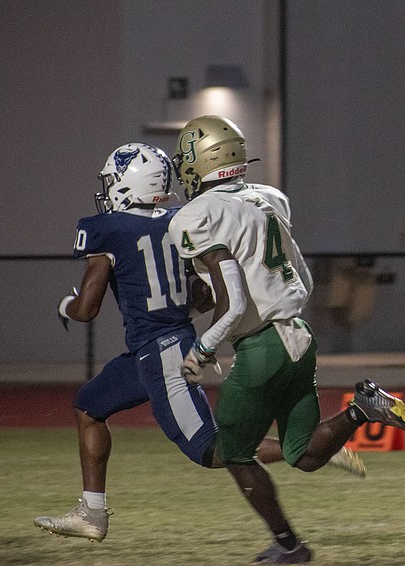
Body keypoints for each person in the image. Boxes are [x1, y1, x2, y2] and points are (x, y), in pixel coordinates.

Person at [34, 143, 367, 544]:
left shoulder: (107, 229)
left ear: (127, 183)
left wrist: (64, 305)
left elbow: (87, 308)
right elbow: (206, 294)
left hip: (162, 352)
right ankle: (92, 511)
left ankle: (316, 447)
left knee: (211, 451)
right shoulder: (179, 219)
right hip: (150, 349)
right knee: (89, 405)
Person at [168, 115, 405, 564]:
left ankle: (291, 546)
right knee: (302, 453)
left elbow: (231, 296)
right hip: (299, 336)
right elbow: (298, 270)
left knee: (234, 452)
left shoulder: (196, 215)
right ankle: (362, 409)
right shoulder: (268, 198)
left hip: (261, 345)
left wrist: (202, 350)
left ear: (199, 161)